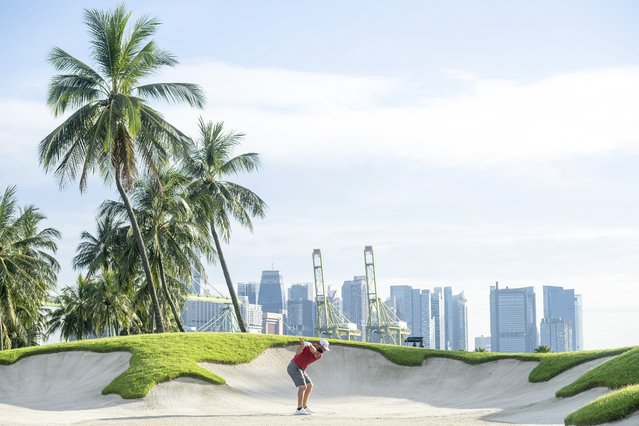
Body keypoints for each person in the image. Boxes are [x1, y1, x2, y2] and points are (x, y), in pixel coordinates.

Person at [287, 337, 330, 415]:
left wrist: (309, 345)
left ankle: (304, 406)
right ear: (320, 345)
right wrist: (303, 346)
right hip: (294, 367)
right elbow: (297, 352)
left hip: (301, 369)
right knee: (303, 387)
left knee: (310, 385)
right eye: (324, 348)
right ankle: (299, 409)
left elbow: (314, 352)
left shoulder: (319, 354)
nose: (324, 350)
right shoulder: (307, 346)